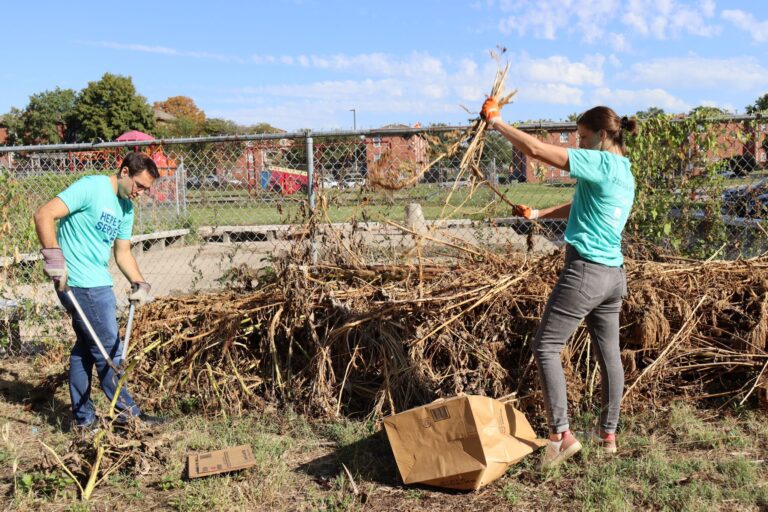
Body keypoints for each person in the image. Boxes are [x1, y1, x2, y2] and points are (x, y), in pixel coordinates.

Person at [481, 98, 637, 469]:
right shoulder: (624, 171)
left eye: (583, 137)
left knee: (547, 346)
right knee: (609, 355)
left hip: (585, 272)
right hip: (614, 276)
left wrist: (497, 122)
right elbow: (582, 204)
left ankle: (560, 436)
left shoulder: (599, 160)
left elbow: (537, 150)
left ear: (602, 136)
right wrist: (537, 214)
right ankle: (608, 435)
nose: (579, 143)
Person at [34, 152, 166, 430]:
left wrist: (140, 282)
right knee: (110, 352)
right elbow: (44, 214)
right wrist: (54, 258)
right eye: (139, 186)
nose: (140, 193)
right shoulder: (90, 187)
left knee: (85, 349)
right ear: (125, 172)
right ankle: (128, 416)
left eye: (146, 189)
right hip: (80, 283)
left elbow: (123, 251)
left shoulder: (126, 208)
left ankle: (84, 420)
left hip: (99, 282)